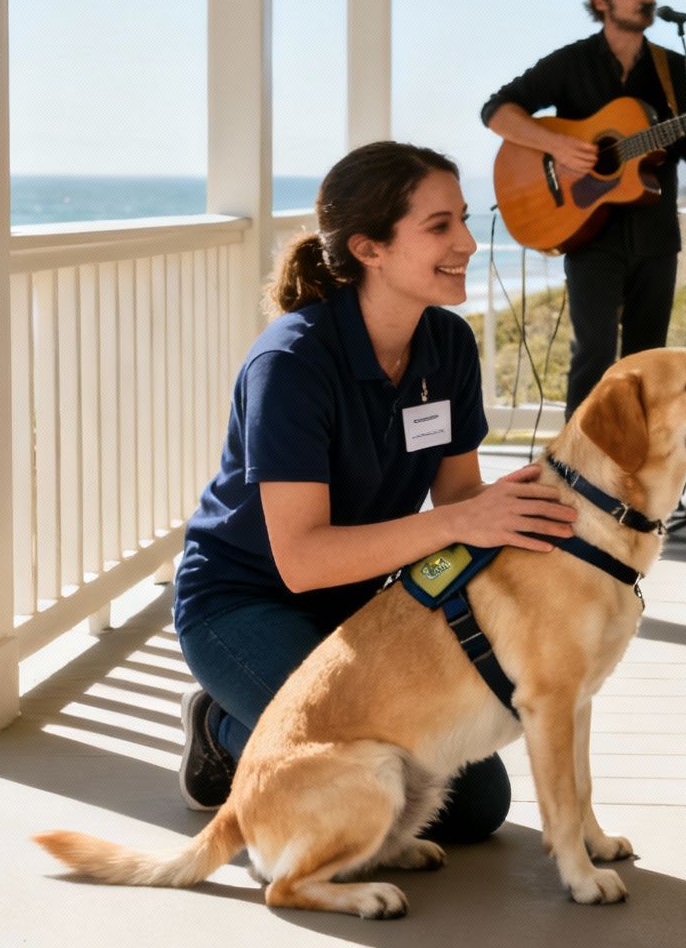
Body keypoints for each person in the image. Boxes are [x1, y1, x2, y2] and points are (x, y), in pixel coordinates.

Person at [171, 141, 580, 844]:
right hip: (246, 602)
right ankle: (224, 725)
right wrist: (467, 522)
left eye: (464, 220)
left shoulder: (447, 345)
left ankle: (253, 720)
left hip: (365, 604)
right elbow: (302, 560)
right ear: (370, 248)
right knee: (371, 783)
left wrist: (521, 511)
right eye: (441, 225)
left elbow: (457, 502)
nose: (468, 243)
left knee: (472, 808)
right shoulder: (292, 362)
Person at [482, 0, 686, 411]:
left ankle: (638, 468)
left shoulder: (677, 71)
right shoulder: (571, 63)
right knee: (592, 355)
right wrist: (557, 146)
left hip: (655, 236)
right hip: (590, 235)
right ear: (600, 2)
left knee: (647, 360)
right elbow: (497, 111)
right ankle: (573, 468)